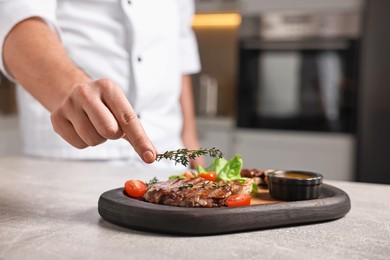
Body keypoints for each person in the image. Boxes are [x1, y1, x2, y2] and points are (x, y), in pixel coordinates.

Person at [0, 0, 204, 169]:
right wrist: (72, 89)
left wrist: (190, 140)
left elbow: (179, 46)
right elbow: (16, 16)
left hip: (169, 154)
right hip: (72, 155)